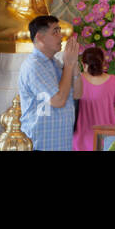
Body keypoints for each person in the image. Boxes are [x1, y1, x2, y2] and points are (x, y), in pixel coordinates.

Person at [18, 14, 78, 150]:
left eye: (60, 31)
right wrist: (68, 65)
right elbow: (58, 100)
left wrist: (74, 66)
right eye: (55, 32)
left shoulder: (54, 63)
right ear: (40, 37)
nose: (61, 36)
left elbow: (78, 93)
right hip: (42, 145)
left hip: (61, 143)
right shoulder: (34, 65)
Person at [72, 46, 115, 151]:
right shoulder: (114, 81)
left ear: (83, 64)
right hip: (107, 139)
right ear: (103, 62)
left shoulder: (76, 80)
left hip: (81, 138)